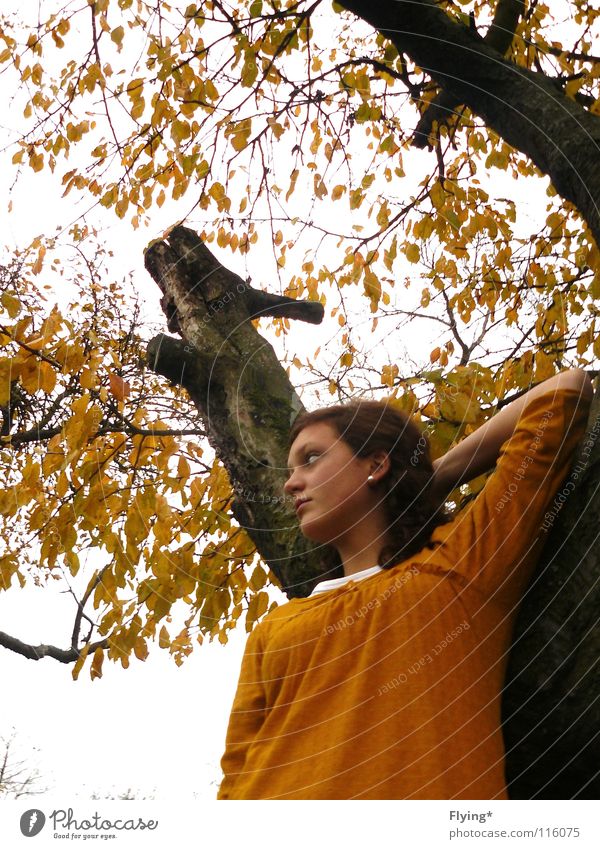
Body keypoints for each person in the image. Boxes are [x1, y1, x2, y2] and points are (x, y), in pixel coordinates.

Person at [217, 368, 592, 799]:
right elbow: (236, 774)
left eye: (312, 457)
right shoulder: (272, 629)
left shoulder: (461, 560)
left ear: (376, 463)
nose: (290, 483)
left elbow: (563, 392)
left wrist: (428, 479)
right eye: (291, 468)